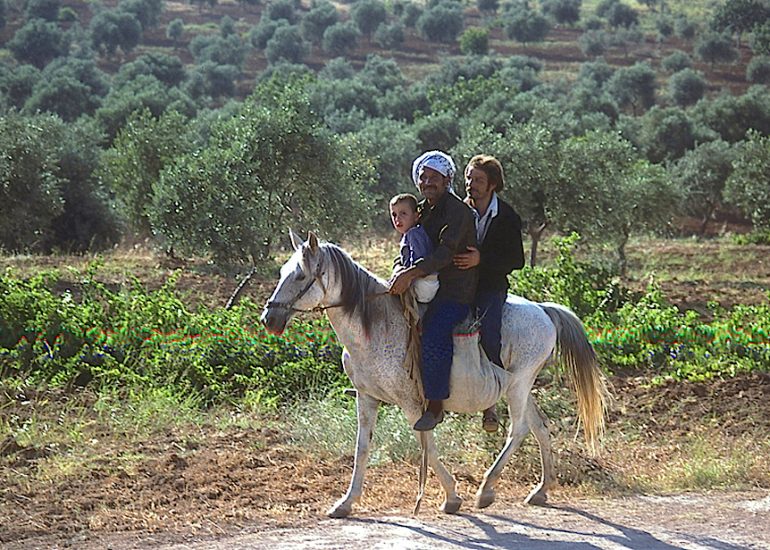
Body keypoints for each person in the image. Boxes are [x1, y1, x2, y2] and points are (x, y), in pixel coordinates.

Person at [389, 151, 478, 431]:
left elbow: (445, 253)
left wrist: (410, 274)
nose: (427, 182)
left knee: (434, 330)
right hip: (425, 285)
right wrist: (398, 269)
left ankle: (436, 405)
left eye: (434, 177)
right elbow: (407, 244)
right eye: (423, 177)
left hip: (455, 289)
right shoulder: (421, 210)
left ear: (447, 179)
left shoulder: (458, 212)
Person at [453, 154, 525, 433]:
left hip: (490, 286)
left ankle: (491, 405)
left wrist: (481, 260)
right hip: (459, 285)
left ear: (492, 184)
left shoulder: (507, 217)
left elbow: (516, 260)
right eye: (469, 178)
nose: (471, 184)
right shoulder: (458, 211)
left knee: (490, 335)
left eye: (478, 180)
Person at [390, 193, 439, 303]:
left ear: (416, 216)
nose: (398, 219)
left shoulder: (414, 234)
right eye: (394, 215)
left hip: (425, 283)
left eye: (403, 214)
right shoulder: (408, 234)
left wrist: (405, 275)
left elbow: (419, 260)